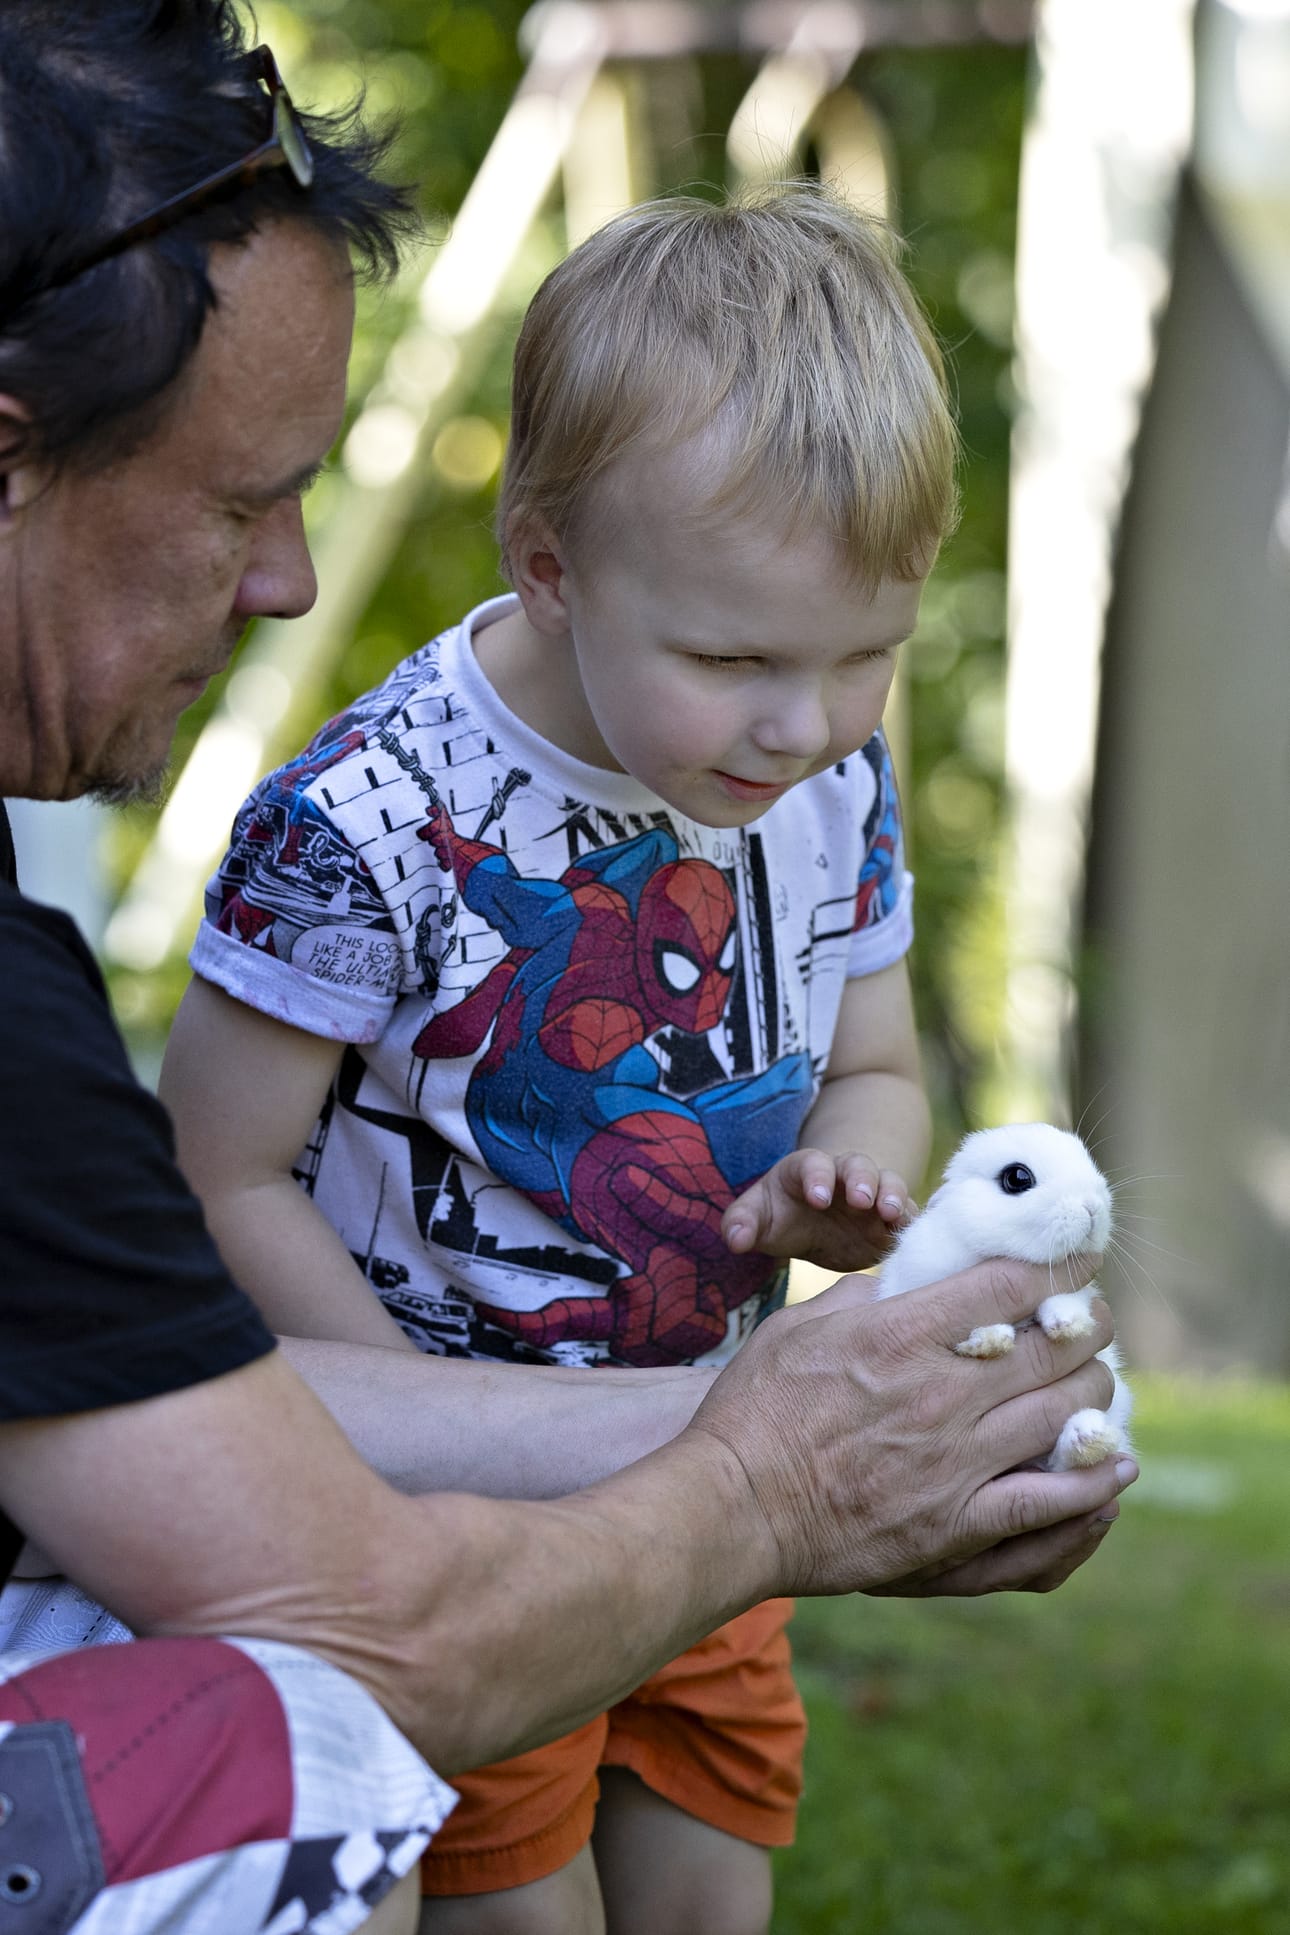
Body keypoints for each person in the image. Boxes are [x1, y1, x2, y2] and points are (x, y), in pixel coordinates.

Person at [0, 5, 1134, 1932]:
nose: (799, 725)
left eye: (854, 660)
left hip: (692, 1434)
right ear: (547, 563)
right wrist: (427, 1445)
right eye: (232, 504)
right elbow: (221, 1210)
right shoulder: (362, 822)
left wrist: (852, 1235)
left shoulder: (822, 782)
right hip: (462, 1499)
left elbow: (864, 1064)